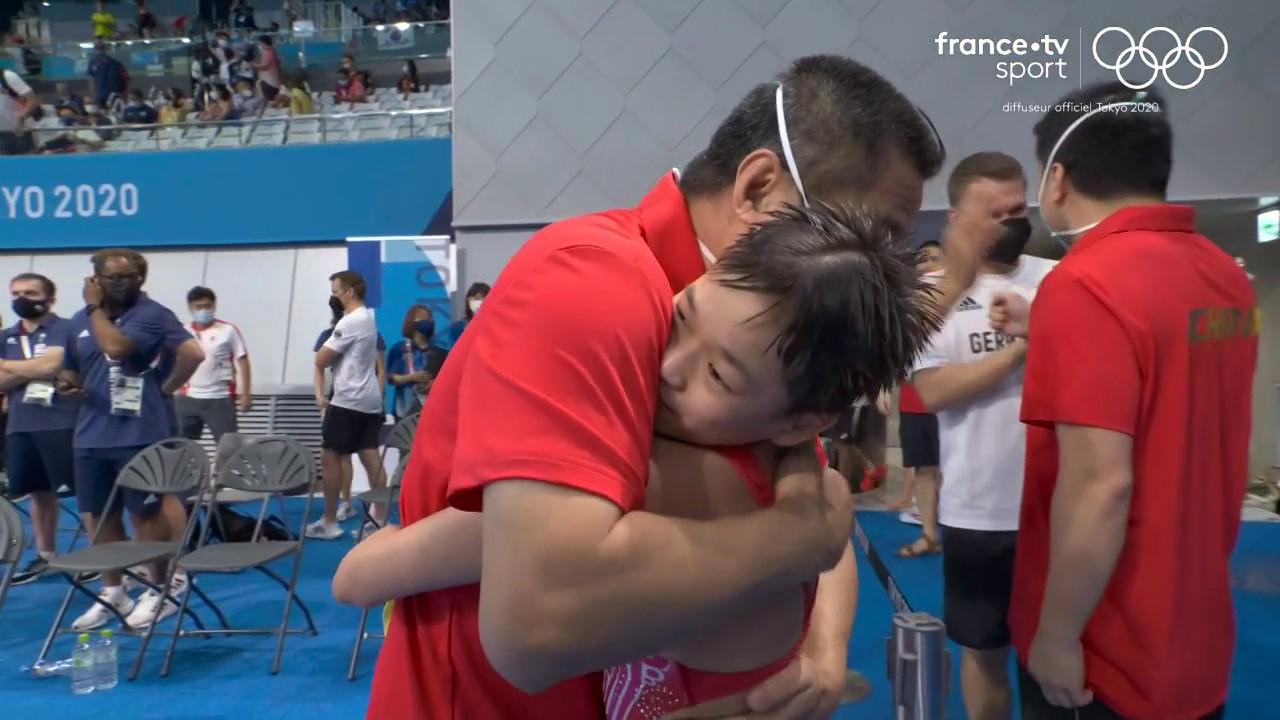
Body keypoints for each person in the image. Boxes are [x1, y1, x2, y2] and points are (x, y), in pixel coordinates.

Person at [365, 54, 998, 719]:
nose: (877, 280)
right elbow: (534, 624)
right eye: (869, 236)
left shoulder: (755, 334)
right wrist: (794, 540)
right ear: (757, 188)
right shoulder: (595, 285)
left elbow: (806, 485)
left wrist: (820, 647)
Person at [337, 204, 939, 717]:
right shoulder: (779, 456)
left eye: (716, 374)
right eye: (679, 318)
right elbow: (825, 516)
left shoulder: (670, 479)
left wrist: (370, 560)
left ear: (804, 421)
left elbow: (366, 576)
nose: (667, 367)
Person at [991, 82, 1256, 720]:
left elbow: (1099, 487)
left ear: (1057, 179)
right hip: (1193, 635)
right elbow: (1169, 372)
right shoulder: (1225, 277)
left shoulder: (1084, 284)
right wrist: (1050, 328)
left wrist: (1055, 636)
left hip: (1107, 648)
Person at [911, 151, 1053, 720]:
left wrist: (1041, 326)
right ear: (959, 215)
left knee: (1053, 658)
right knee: (984, 654)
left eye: (1019, 208)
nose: (1012, 221)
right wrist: (1023, 350)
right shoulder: (931, 295)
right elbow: (936, 391)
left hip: (1056, 509)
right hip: (977, 513)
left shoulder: (1058, 280)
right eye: (996, 212)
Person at [58, 249, 206, 630]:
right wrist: (68, 383)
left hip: (141, 434)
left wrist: (165, 388)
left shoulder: (150, 315)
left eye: (128, 277)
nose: (119, 283)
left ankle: (161, 586)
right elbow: (72, 365)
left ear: (141, 280)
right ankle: (114, 591)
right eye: (111, 276)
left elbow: (117, 348)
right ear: (95, 278)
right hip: (91, 434)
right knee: (98, 515)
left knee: (146, 513)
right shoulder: (78, 322)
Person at [0, 274, 81, 584]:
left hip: (63, 422)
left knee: (86, 494)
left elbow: (50, 366)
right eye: (16, 293)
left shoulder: (66, 329)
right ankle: (47, 556)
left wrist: (9, 367)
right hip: (21, 425)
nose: (21, 298)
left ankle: (99, 557)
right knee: (38, 493)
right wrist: (34, 368)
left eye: (30, 293)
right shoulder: (7, 335)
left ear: (50, 299)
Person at [309, 271, 387, 541]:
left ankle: (329, 521)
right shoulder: (369, 319)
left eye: (335, 291)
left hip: (347, 400)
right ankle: (379, 517)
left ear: (349, 292)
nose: (334, 296)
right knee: (370, 456)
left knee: (330, 456)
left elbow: (322, 359)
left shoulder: (351, 322)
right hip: (369, 400)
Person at [893, 240, 945, 557]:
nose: (927, 264)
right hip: (914, 400)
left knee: (950, 470)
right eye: (922, 259)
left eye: (934, 258)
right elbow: (894, 351)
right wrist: (885, 388)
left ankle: (958, 533)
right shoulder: (906, 305)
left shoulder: (961, 299)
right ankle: (929, 534)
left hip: (949, 400)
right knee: (924, 469)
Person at [174, 287, 250, 445]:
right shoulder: (183, 332)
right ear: (190, 308)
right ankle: (189, 470)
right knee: (180, 445)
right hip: (187, 396)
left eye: (207, 306)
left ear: (214, 306)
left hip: (219, 396)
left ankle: (222, 470)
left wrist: (246, 394)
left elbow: (242, 360)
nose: (203, 310)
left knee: (228, 446)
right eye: (198, 307)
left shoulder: (227, 330)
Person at [385, 305, 446, 421]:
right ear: (411, 322)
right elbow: (391, 378)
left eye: (429, 319)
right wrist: (411, 377)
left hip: (432, 410)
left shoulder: (439, 351)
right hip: (405, 409)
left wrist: (434, 384)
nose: (427, 322)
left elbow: (448, 380)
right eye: (422, 318)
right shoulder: (399, 349)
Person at [0, 66, 38, 156]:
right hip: (1, 134)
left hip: (19, 133)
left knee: (25, 166)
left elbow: (32, 101)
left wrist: (22, 117)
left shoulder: (8, 76)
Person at [441, 281, 488, 349]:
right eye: (477, 298)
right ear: (468, 300)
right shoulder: (457, 328)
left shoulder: (496, 326)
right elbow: (454, 354)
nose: (481, 302)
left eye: (485, 299)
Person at [86, 42, 128, 109]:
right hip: (105, 93)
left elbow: (91, 80)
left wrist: (94, 95)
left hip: (109, 93)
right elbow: (91, 79)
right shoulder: (94, 62)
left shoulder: (112, 62)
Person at [251, 35, 282, 102]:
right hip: (273, 80)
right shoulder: (272, 51)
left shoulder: (268, 52)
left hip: (269, 81)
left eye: (259, 43)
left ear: (263, 42)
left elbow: (265, 66)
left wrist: (253, 64)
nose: (259, 45)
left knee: (270, 100)